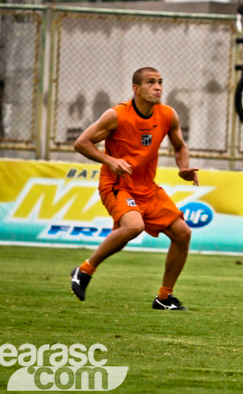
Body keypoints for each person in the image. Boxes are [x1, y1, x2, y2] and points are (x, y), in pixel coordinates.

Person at [70, 67, 199, 311]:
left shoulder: (168, 114)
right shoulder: (117, 115)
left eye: (160, 82)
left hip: (147, 188)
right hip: (117, 184)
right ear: (136, 89)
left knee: (183, 233)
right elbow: (81, 143)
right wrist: (110, 160)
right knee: (134, 226)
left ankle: (164, 298)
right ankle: (84, 270)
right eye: (151, 82)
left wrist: (183, 168)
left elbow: (180, 146)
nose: (158, 87)